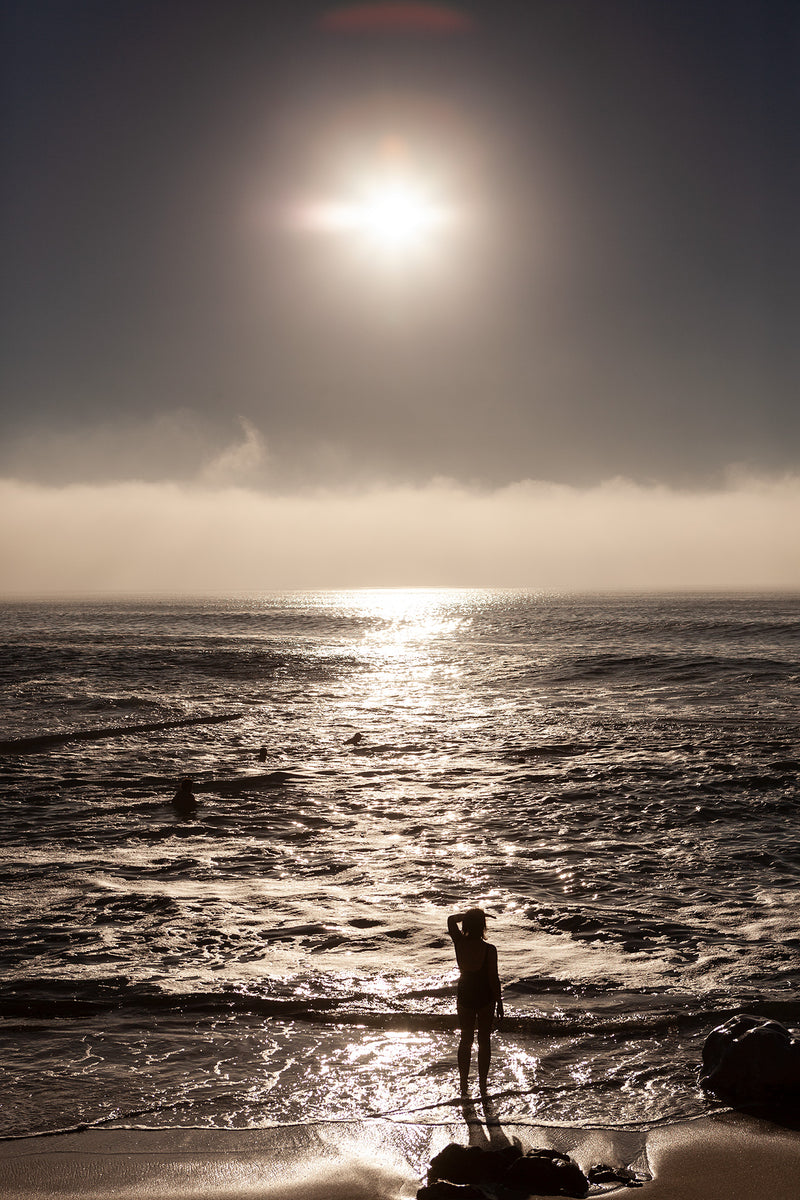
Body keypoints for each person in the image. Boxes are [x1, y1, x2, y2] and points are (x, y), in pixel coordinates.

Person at [447, 907, 503, 1096]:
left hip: (465, 994)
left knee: (466, 1040)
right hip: (485, 997)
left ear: (467, 925)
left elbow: (450, 920)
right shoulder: (490, 950)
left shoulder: (459, 943)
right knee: (484, 1040)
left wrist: (469, 917)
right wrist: (500, 1002)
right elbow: (493, 979)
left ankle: (464, 1085)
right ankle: (483, 1085)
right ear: (483, 926)